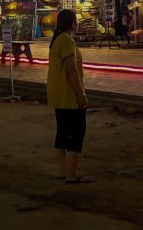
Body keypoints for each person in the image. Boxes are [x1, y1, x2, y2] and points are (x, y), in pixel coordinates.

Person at [46, 9, 92, 184]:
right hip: (68, 94)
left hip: (58, 93)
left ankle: (63, 171)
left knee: (63, 131)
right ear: (73, 24)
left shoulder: (57, 40)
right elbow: (71, 70)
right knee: (77, 132)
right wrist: (81, 95)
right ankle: (71, 174)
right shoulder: (66, 41)